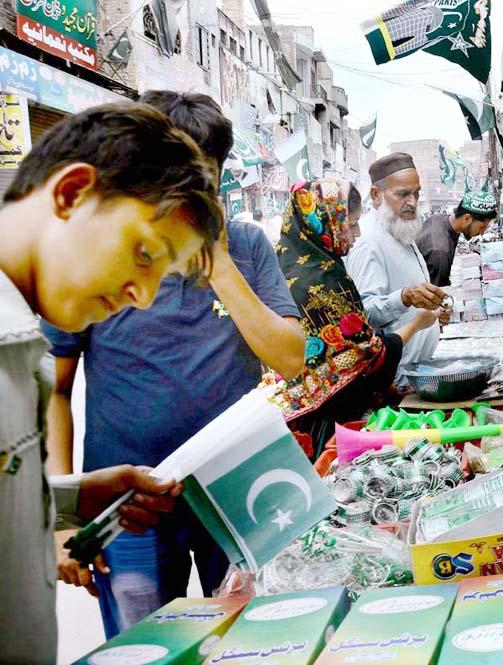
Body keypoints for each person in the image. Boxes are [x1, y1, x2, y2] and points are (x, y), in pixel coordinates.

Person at [42, 91, 306, 639]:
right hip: (129, 508)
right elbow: (55, 392)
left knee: (256, 641)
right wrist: (61, 514)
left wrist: (221, 266)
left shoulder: (248, 246)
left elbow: (291, 359)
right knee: (147, 647)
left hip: (239, 492)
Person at [0, 101, 224, 665]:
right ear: (73, 194)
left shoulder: (24, 339)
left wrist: (63, 502)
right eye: (144, 255)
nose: (142, 297)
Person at [269, 179, 438, 457]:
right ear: (325, 222)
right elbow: (369, 358)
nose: (357, 234)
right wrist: (417, 324)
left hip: (296, 422)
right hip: (329, 426)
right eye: (351, 224)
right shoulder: (324, 278)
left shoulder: (286, 263)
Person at [346, 153, 448, 387]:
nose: (412, 202)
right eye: (403, 194)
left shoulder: (400, 229)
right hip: (395, 385)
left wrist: (435, 315)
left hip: (416, 375)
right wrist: (405, 297)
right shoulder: (368, 242)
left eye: (416, 193)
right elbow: (364, 314)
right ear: (376, 195)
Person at [416, 190, 497, 287]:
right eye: (482, 227)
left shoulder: (439, 219)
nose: (482, 233)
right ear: (467, 218)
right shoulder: (439, 251)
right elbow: (434, 294)